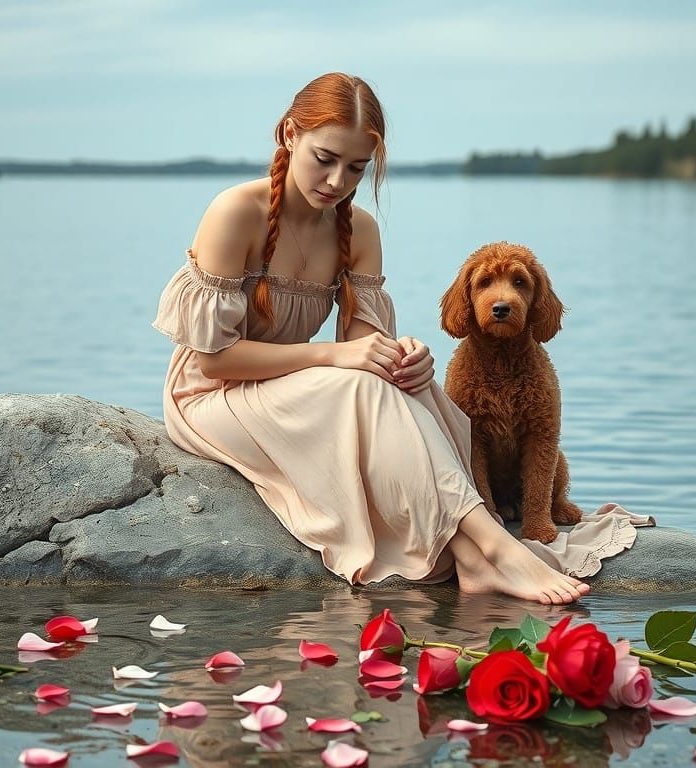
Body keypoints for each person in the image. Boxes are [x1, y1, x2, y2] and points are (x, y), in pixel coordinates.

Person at [153, 72, 592, 604]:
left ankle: (475, 557)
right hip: (211, 396)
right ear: (290, 134)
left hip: (291, 388)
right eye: (325, 158)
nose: (337, 181)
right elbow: (215, 361)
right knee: (358, 384)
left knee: (397, 384)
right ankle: (494, 547)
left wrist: (403, 357)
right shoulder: (235, 212)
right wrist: (335, 354)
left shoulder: (359, 230)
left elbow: (365, 352)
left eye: (356, 167)